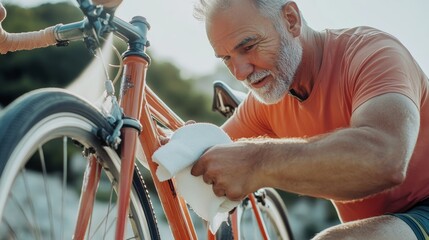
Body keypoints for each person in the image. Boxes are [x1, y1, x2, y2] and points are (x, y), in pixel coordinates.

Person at [189, 0, 429, 239]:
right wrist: (179, 147)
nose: (240, 72)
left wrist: (256, 162)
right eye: (226, 59)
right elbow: (203, 160)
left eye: (249, 46)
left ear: (291, 20)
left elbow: (385, 157)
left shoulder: (373, 54)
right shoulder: (267, 100)